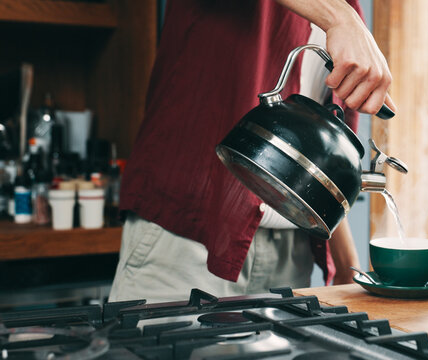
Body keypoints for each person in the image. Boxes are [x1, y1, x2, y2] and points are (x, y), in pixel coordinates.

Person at [109, 0, 395, 303]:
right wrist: (340, 19)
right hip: (186, 236)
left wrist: (346, 263)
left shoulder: (347, 11)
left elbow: (313, 169)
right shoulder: (343, 17)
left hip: (289, 256)